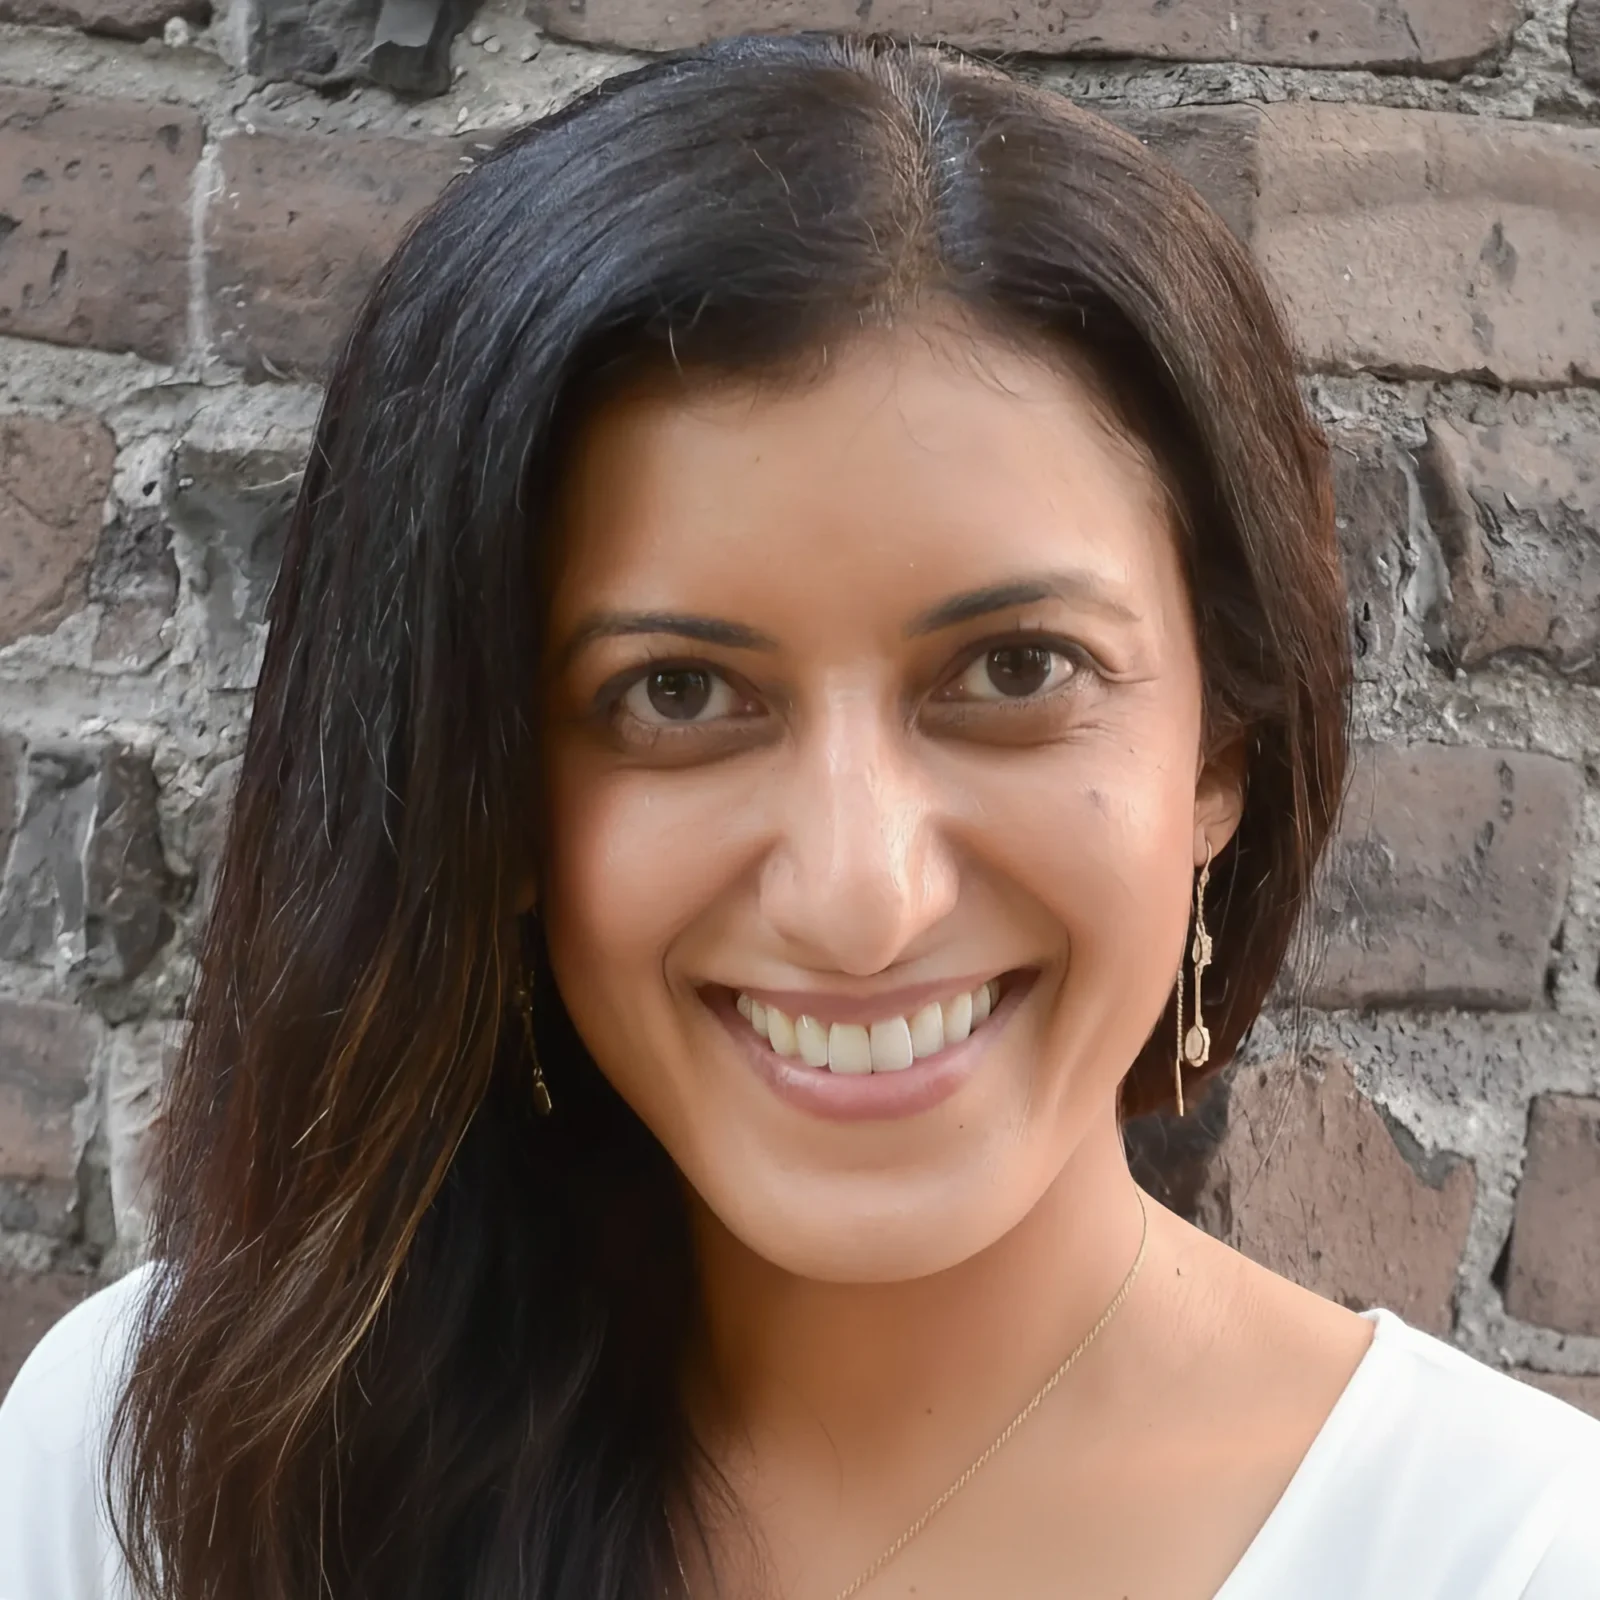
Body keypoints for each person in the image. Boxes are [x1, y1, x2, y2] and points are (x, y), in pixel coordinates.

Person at [0, 31, 1595, 1600]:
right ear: (483, 784)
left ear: (1220, 760)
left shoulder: (1513, 1553)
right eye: (678, 694)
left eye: (1018, 668)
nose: (860, 895)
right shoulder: (148, 1469)